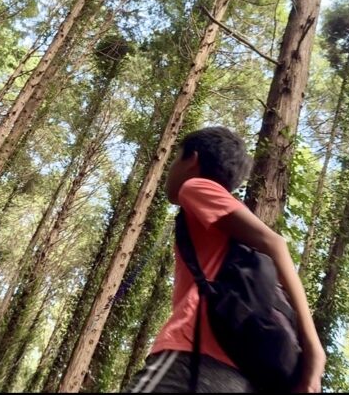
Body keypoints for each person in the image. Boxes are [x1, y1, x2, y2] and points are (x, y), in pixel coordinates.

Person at [126, 127, 326, 393]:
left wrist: (314, 347)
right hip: (240, 375)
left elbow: (274, 243)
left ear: (192, 159)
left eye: (175, 157)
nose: (170, 167)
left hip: (192, 357)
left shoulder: (195, 186)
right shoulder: (224, 224)